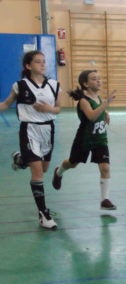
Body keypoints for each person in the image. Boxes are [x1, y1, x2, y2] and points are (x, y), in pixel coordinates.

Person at [0, 50, 62, 229]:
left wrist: (49, 109)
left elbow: (58, 108)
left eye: (43, 61)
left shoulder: (54, 84)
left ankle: (20, 159)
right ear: (28, 66)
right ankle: (43, 214)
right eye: (37, 62)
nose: (42, 64)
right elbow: (5, 104)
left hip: (48, 130)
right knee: (37, 171)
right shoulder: (20, 85)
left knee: (43, 167)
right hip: (30, 129)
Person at [51, 70, 117, 210]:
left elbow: (98, 109)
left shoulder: (97, 97)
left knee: (105, 167)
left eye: (99, 78)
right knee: (72, 163)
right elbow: (92, 116)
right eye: (94, 79)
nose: (98, 81)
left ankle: (104, 200)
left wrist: (105, 112)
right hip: (85, 139)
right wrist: (106, 104)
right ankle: (59, 172)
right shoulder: (83, 101)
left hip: (100, 139)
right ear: (85, 84)